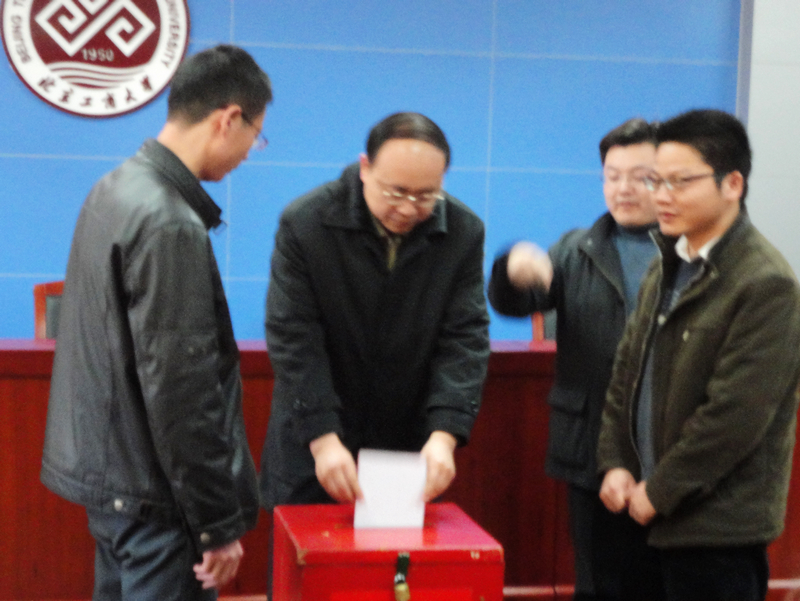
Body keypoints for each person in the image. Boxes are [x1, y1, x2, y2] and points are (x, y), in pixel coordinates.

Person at [40, 45, 272, 600]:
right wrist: (216, 524)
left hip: (115, 490)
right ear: (229, 119)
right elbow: (182, 388)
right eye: (256, 136)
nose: (249, 152)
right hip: (159, 502)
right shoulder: (170, 222)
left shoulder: (115, 187)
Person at [597, 109, 800, 601]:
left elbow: (734, 418)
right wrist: (616, 461)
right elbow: (627, 375)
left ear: (732, 184)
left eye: (680, 182)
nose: (661, 196)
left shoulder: (765, 283)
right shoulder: (667, 264)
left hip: (715, 533)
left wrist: (660, 490)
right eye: (656, 181)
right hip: (641, 515)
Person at [260, 111, 490, 509]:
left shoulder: (463, 232)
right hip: (313, 443)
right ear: (365, 168)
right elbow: (294, 338)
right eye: (396, 192)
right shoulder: (307, 223)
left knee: (395, 552)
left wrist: (444, 435)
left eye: (426, 195)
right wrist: (323, 439)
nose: (408, 208)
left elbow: (465, 338)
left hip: (404, 448)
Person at [488, 118, 659, 600]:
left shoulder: (690, 252)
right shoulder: (576, 249)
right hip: (591, 450)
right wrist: (511, 269)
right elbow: (517, 303)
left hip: (668, 451)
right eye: (612, 175)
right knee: (599, 583)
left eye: (641, 177)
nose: (623, 189)